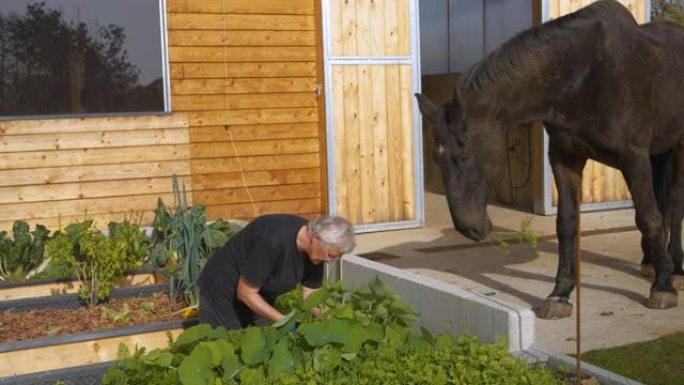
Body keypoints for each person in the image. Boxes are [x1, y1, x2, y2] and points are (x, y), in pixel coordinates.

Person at [198, 214, 355, 329]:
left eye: (334, 258)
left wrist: (330, 320)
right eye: (330, 256)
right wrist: (286, 323)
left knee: (260, 345)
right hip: (223, 290)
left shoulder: (316, 253)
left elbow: (311, 296)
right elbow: (245, 293)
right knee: (226, 347)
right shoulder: (272, 242)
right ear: (315, 238)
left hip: (259, 295)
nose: (329, 261)